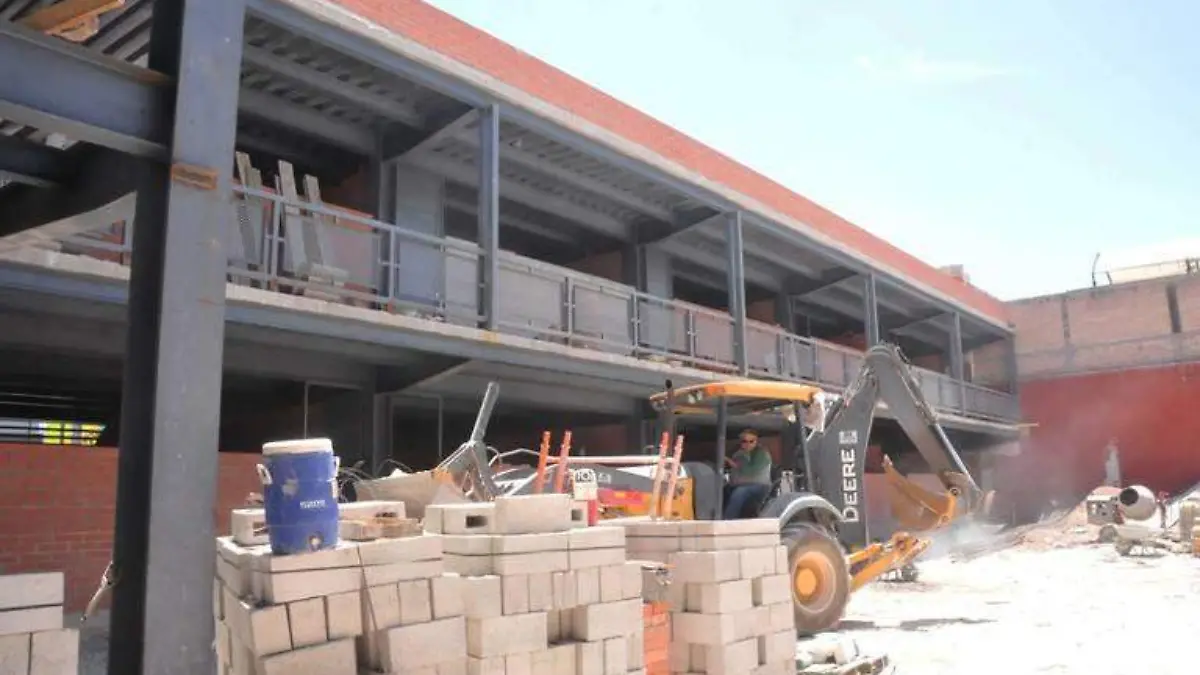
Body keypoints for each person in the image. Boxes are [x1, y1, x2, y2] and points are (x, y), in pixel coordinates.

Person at [723, 429, 773, 520]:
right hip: (737, 484)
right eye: (744, 441)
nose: (748, 444)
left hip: (759, 486)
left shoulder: (761, 453)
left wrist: (731, 462)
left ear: (756, 442)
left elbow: (750, 471)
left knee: (739, 493)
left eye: (751, 441)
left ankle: (728, 521)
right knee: (720, 490)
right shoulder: (738, 453)